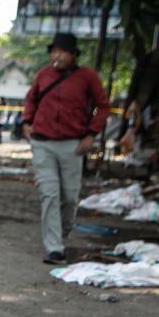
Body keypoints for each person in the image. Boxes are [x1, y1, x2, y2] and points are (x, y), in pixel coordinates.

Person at [22, 31, 110, 265]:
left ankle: (60, 237)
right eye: (54, 51)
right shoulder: (44, 75)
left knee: (70, 198)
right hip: (42, 142)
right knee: (49, 194)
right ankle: (54, 248)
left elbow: (103, 106)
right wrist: (26, 122)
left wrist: (91, 134)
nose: (57, 56)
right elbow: (31, 99)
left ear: (73, 55)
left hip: (72, 145)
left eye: (62, 52)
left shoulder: (86, 77)